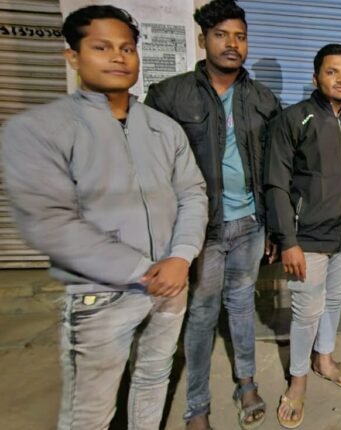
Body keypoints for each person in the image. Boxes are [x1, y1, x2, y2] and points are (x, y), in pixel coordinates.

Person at [0, 5, 208, 429]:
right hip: (100, 294)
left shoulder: (163, 128)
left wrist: (181, 256)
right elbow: (50, 222)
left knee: (154, 377)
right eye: (102, 47)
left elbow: (192, 192)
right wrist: (141, 269)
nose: (118, 57)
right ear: (73, 57)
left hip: (170, 284)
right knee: (91, 412)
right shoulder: (42, 130)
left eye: (127, 48)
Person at [145, 1, 280, 428]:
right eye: (221, 35)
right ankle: (197, 406)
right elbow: (152, 170)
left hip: (250, 224)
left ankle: (246, 382)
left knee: (241, 304)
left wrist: (274, 226)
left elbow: (275, 169)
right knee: (202, 314)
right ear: (203, 40)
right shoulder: (169, 95)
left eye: (240, 36)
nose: (232, 44)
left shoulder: (262, 99)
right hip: (200, 228)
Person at [264, 43, 341, 429]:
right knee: (306, 313)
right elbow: (276, 183)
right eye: (332, 71)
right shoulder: (294, 119)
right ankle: (298, 381)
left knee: (333, 303)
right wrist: (287, 240)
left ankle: (324, 359)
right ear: (315, 77)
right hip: (306, 240)